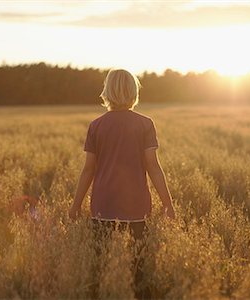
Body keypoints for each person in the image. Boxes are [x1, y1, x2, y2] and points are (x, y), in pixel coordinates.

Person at [69, 68, 175, 298]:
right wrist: (168, 203)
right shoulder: (145, 124)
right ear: (134, 92)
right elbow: (153, 168)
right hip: (137, 207)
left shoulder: (96, 125)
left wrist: (76, 205)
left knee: (98, 267)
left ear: (106, 92)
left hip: (103, 206)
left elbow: (88, 170)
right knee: (138, 267)